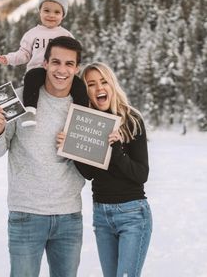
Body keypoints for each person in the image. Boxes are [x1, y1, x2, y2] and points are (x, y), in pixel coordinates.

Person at [0, 36, 89, 277]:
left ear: (76, 68)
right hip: (26, 214)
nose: (61, 70)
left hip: (69, 216)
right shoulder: (17, 98)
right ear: (44, 64)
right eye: (56, 62)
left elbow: (92, 159)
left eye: (69, 64)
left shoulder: (83, 108)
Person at [57, 62, 152, 277]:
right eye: (91, 84)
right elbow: (89, 173)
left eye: (103, 82)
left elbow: (141, 174)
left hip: (132, 214)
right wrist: (70, 147)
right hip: (102, 215)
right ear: (86, 91)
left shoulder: (131, 119)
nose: (99, 88)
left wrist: (116, 149)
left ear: (112, 85)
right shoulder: (87, 122)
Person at [0, 0, 84, 126]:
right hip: (38, 70)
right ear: (40, 11)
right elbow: (24, 54)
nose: (51, 15)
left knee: (79, 85)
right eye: (47, 10)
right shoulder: (32, 34)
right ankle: (30, 111)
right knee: (31, 77)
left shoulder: (66, 34)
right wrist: (9, 58)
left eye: (57, 12)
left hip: (59, 73)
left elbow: (73, 56)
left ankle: (83, 115)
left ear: (63, 15)